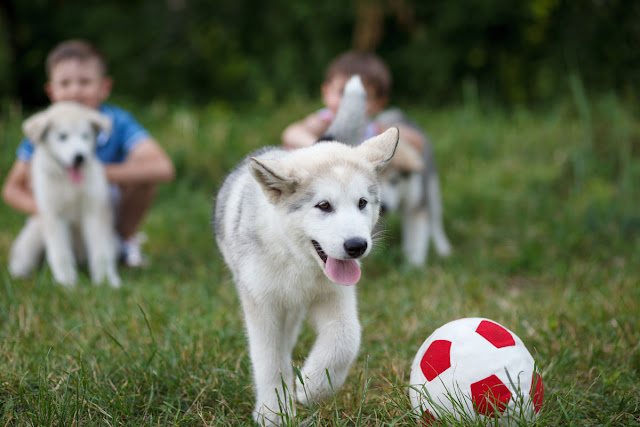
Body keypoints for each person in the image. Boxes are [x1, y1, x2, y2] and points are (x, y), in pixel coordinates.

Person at [1, 39, 175, 267]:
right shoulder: (46, 126)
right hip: (59, 209)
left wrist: (96, 172)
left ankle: (123, 242)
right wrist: (49, 213)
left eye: (84, 82)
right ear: (51, 91)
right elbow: (11, 188)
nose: (74, 90)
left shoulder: (117, 121)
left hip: (103, 207)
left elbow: (163, 168)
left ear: (104, 87)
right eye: (65, 83)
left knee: (143, 172)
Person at [281, 50, 426, 156]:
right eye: (342, 92)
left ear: (379, 104)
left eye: (362, 96)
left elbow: (418, 142)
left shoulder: (373, 130)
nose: (349, 102)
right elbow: (291, 133)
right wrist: (320, 147)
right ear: (326, 93)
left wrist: (391, 133)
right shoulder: (326, 121)